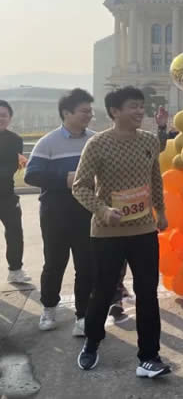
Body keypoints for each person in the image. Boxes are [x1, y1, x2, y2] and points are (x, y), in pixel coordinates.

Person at [72, 86, 170, 378]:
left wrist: (161, 211)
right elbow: (80, 186)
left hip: (144, 230)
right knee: (103, 290)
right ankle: (92, 341)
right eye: (133, 106)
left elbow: (155, 179)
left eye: (141, 105)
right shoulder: (98, 144)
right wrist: (103, 210)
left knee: (147, 292)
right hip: (108, 232)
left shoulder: (149, 141)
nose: (139, 111)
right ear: (115, 111)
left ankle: (149, 357)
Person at [24, 89, 95, 335]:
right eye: (84, 111)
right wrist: (64, 179)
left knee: (86, 265)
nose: (89, 115)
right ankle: (49, 308)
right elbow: (31, 175)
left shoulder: (95, 140)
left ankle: (83, 316)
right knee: (54, 263)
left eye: (90, 111)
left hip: (87, 213)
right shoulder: (48, 142)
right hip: (55, 214)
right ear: (67, 113)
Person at [0, 100, 29, 284]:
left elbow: (11, 167)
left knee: (15, 233)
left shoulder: (15, 140)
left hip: (6, 195)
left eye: (4, 115)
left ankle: (15, 270)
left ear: (10, 118)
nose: (0, 118)